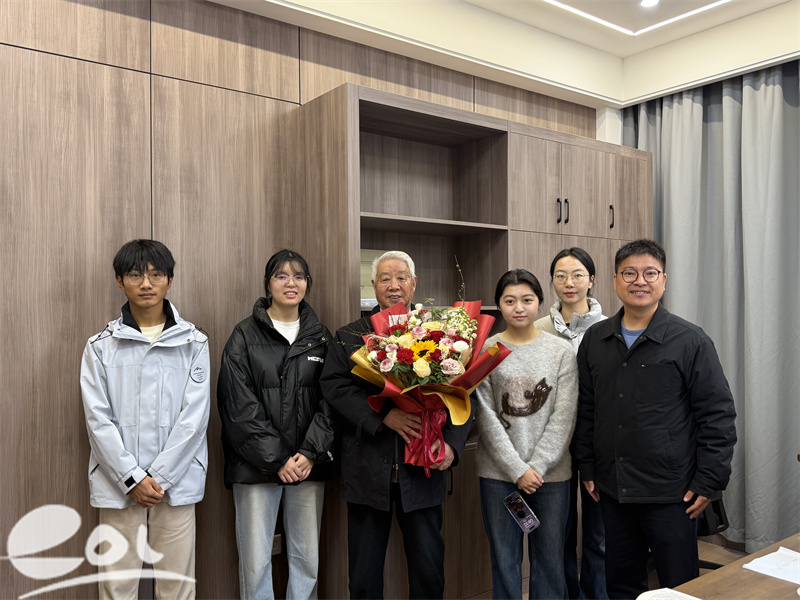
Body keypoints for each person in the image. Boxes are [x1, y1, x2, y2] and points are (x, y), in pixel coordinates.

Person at [572, 239, 737, 599]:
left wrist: (709, 480)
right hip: (613, 487)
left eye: (650, 273)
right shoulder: (596, 339)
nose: (639, 281)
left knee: (679, 587)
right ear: (615, 280)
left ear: (664, 280)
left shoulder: (690, 340)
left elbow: (717, 415)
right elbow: (586, 408)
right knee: (621, 584)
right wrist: (586, 465)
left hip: (672, 491)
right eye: (629, 273)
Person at [319, 250, 472, 599]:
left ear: (414, 284)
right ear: (373, 285)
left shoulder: (441, 335)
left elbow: (465, 393)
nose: (394, 285)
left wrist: (452, 445)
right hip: (367, 470)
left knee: (428, 572)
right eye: (385, 278)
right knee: (363, 577)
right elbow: (334, 388)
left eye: (401, 277)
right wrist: (382, 416)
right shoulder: (349, 336)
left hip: (423, 471)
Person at [80, 239, 210, 600]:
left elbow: (195, 418)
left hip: (176, 484)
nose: (146, 284)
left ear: (170, 280)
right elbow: (97, 420)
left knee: (177, 587)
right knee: (117, 587)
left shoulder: (194, 342)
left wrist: (160, 477)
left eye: (156, 275)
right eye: (135, 275)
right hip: (118, 485)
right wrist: (132, 478)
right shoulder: (100, 346)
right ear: (120, 281)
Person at [217, 249, 334, 600]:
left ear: (307, 283)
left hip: (307, 465)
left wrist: (309, 453)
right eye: (281, 276)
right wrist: (278, 458)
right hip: (255, 466)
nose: (290, 283)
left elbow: (332, 401)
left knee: (306, 559)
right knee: (255, 563)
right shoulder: (243, 335)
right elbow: (237, 405)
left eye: (298, 276)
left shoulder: (320, 336)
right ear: (268, 283)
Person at [474, 269, 578, 600]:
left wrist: (537, 466)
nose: (519, 308)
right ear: (499, 305)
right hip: (498, 476)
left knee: (550, 560)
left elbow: (564, 416)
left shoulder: (561, 351)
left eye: (527, 300)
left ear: (539, 302)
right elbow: (485, 415)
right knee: (504, 560)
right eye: (510, 301)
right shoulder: (487, 350)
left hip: (551, 476)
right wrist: (517, 469)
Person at [534, 248, 608, 600]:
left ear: (591, 280)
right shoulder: (537, 329)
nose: (569, 283)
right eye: (560, 275)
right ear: (552, 281)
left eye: (578, 274)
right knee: (557, 532)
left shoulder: (610, 328)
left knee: (598, 531)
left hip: (597, 441)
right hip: (552, 442)